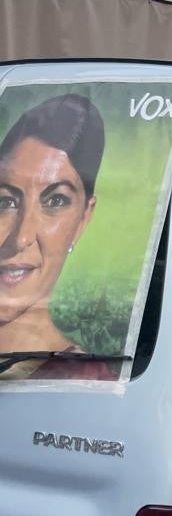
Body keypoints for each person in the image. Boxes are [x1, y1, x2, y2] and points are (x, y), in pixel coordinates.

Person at [0, 93, 114, 381]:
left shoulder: (88, 383)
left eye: (55, 201)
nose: (22, 237)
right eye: (6, 201)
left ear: (83, 219)